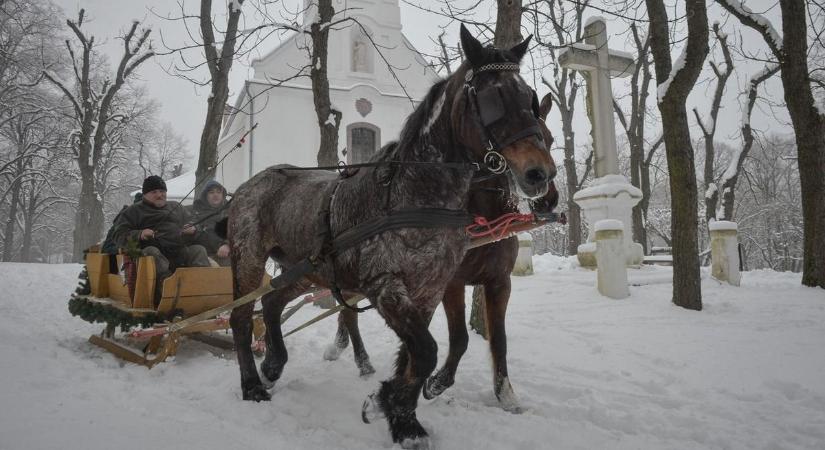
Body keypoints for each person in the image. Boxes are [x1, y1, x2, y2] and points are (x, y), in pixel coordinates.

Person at [113, 175, 210, 303]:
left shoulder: (176, 207)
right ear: (145, 194)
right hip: (152, 256)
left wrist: (193, 228)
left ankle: (203, 291)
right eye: (154, 192)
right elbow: (118, 235)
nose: (159, 195)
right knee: (151, 251)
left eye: (162, 191)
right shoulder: (133, 211)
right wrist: (140, 234)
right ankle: (168, 294)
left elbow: (194, 221)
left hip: (178, 252)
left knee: (198, 250)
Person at [187, 180, 231, 266]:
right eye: (211, 192)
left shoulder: (232, 211)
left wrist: (227, 245)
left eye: (218, 192)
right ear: (205, 196)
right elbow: (192, 228)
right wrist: (194, 229)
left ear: (223, 195)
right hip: (204, 256)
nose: (215, 195)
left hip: (225, 254)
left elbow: (240, 232)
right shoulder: (195, 211)